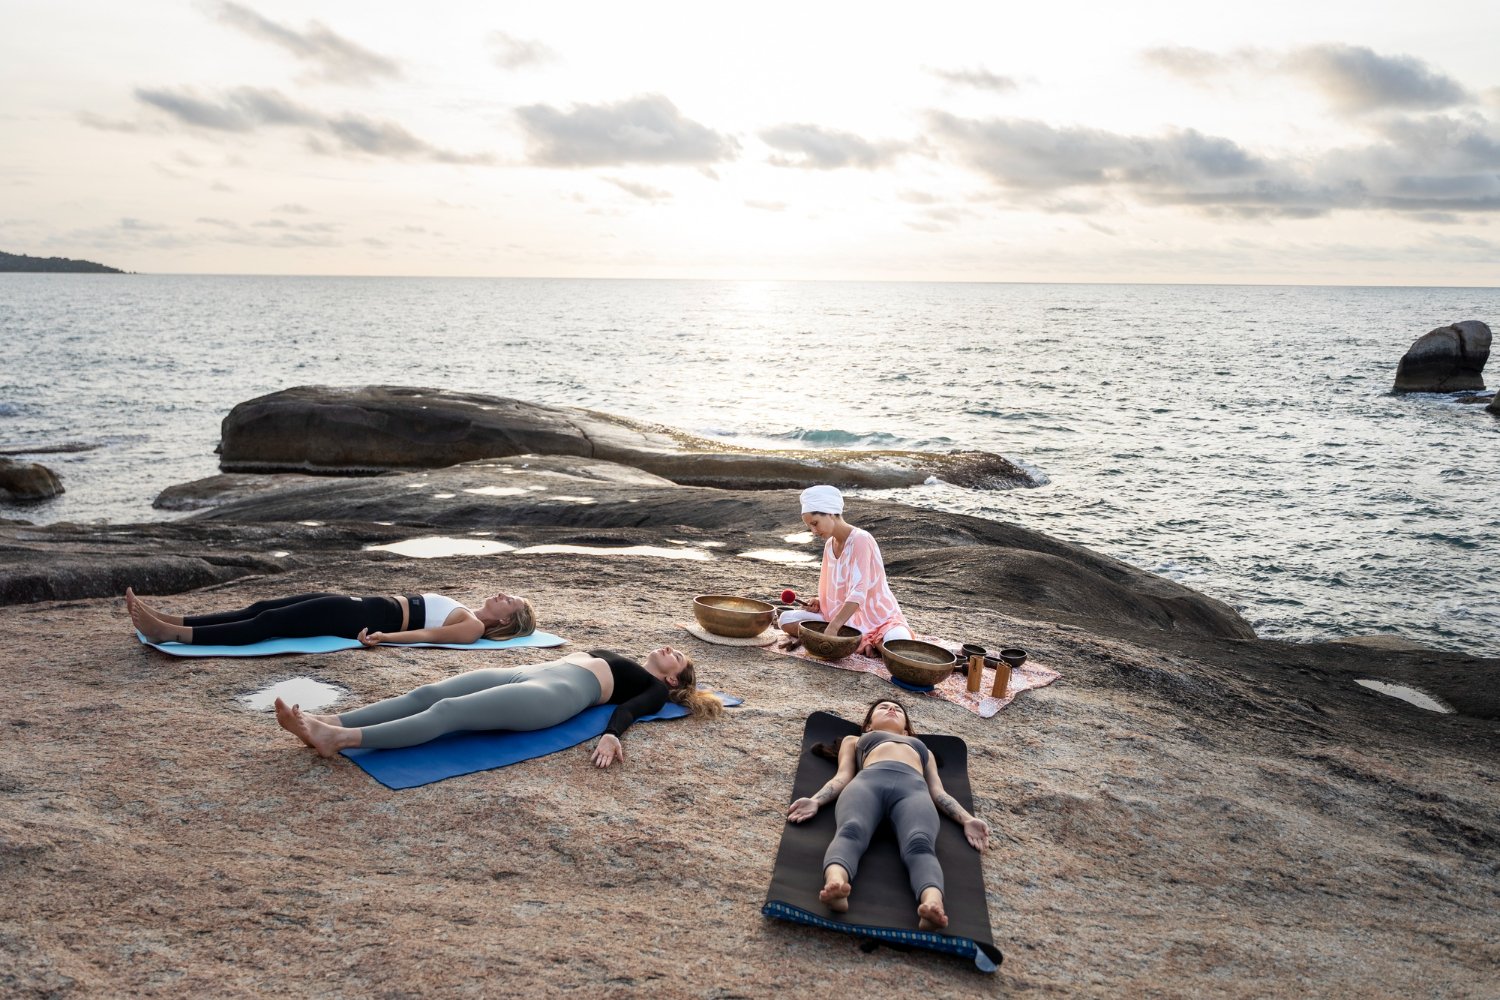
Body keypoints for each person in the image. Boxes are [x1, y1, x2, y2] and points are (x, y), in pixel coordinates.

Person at [273, 646, 721, 765]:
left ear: (671, 679)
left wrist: (610, 735)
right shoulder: (625, 656)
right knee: (430, 693)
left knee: (448, 714)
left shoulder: (655, 689)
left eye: (678, 658)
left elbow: (629, 711)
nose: (670, 648)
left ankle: (339, 739)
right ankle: (326, 720)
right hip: (530, 671)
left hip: (553, 696)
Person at [786, 698, 989, 931]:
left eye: (898, 709)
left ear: (906, 729)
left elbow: (938, 792)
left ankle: (932, 905)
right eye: (883, 708)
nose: (891, 709)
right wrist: (815, 800)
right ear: (868, 726)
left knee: (920, 844)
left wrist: (967, 819)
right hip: (867, 784)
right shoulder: (855, 740)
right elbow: (842, 777)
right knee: (851, 830)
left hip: (914, 792)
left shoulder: (924, 750)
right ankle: (836, 884)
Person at [125, 586, 536, 647]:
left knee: (270, 624)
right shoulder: (473, 611)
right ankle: (176, 619)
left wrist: (382, 638)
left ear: (505, 622)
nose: (503, 595)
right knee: (263, 608)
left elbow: (430, 635)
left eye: (510, 602)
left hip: (363, 616)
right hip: (362, 602)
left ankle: (172, 635)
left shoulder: (475, 627)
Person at [778, 484, 913, 655]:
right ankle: (859, 640)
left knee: (899, 646)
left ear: (831, 513)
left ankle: (868, 640)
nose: (813, 531)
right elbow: (834, 587)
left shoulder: (860, 539)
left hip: (878, 619)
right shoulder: (829, 545)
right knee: (785, 619)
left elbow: (859, 592)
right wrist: (820, 600)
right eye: (809, 526)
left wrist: (834, 627)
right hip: (843, 618)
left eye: (815, 523)